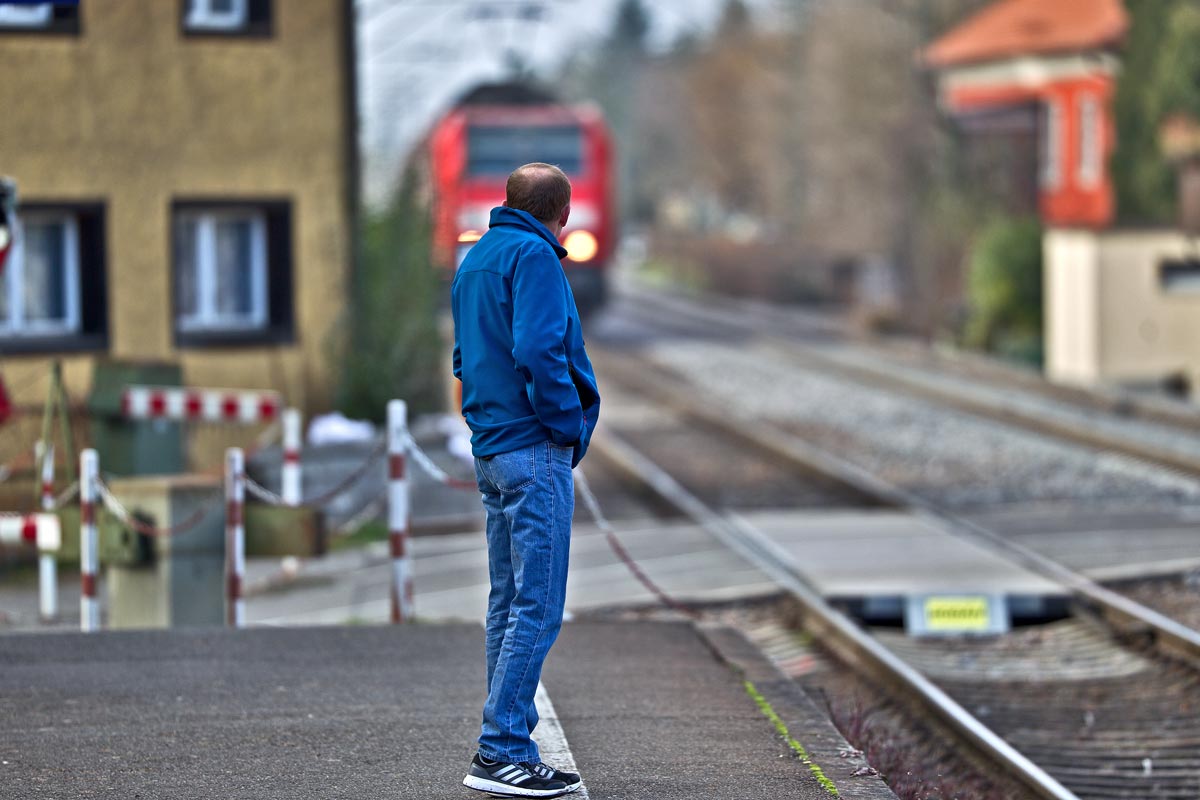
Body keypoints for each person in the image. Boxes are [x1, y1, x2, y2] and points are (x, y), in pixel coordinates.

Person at [452, 162, 600, 798]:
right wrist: (566, 426)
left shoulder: (476, 259)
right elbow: (541, 351)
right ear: (561, 215)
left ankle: (509, 746)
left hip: (491, 449)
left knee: (507, 603)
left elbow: (463, 357)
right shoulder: (536, 258)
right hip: (532, 447)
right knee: (538, 605)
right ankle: (501, 748)